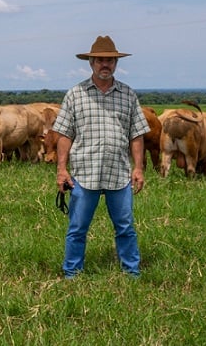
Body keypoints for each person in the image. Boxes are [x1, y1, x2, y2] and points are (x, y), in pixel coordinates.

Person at [52, 35, 150, 278]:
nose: (105, 64)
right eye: (100, 60)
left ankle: (132, 272)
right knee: (77, 228)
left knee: (125, 227)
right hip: (85, 174)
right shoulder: (76, 94)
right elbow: (64, 134)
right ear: (91, 63)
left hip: (119, 173)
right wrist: (61, 170)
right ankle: (72, 273)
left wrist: (138, 168)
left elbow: (136, 135)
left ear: (116, 64)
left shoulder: (128, 94)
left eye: (110, 60)